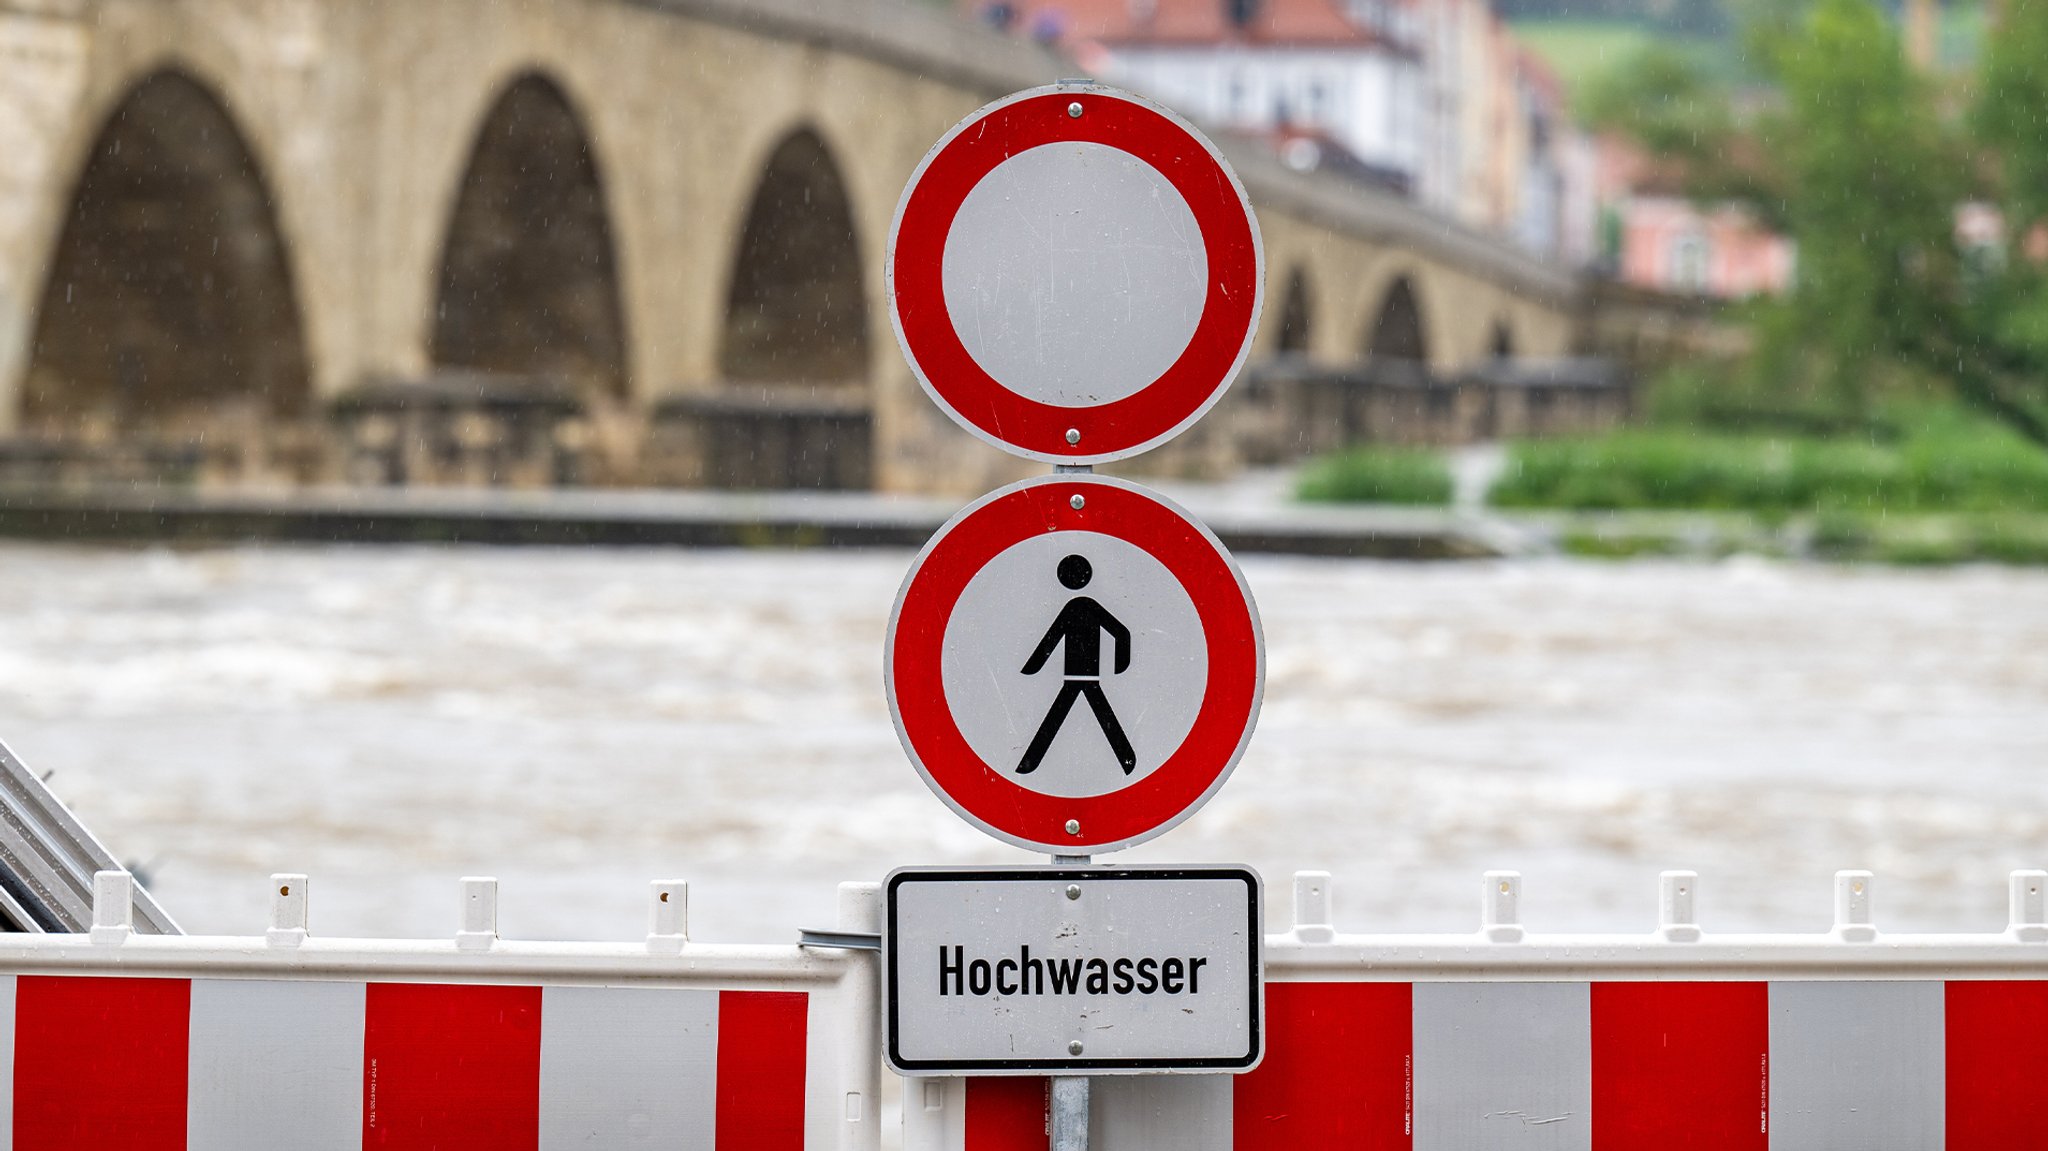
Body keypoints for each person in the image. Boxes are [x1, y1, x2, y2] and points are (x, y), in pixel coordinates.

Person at [1017, 554, 1136, 775]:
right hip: (1083, 676)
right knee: (1093, 714)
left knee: (1062, 716)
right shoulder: (1087, 606)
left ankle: (1029, 763)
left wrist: (1033, 666)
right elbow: (1122, 633)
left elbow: (1051, 639)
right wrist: (1119, 664)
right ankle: (1127, 760)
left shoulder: (1079, 607)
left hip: (1080, 675)